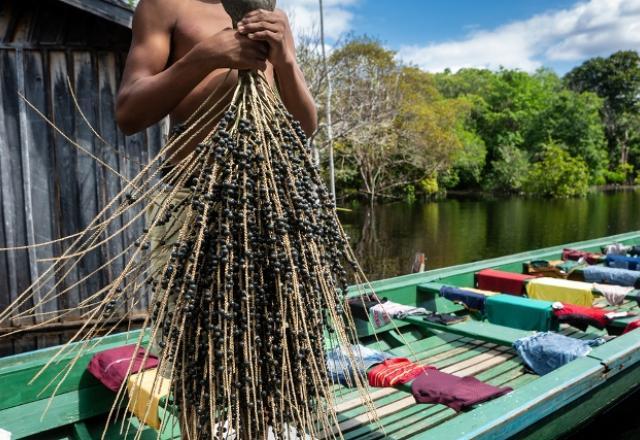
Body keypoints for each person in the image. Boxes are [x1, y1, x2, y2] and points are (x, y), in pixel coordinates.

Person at [116, 0, 317, 152]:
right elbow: (128, 115)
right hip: (191, 194)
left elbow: (305, 129)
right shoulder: (163, 5)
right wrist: (204, 58)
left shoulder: (273, 17)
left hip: (263, 194)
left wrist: (286, 62)